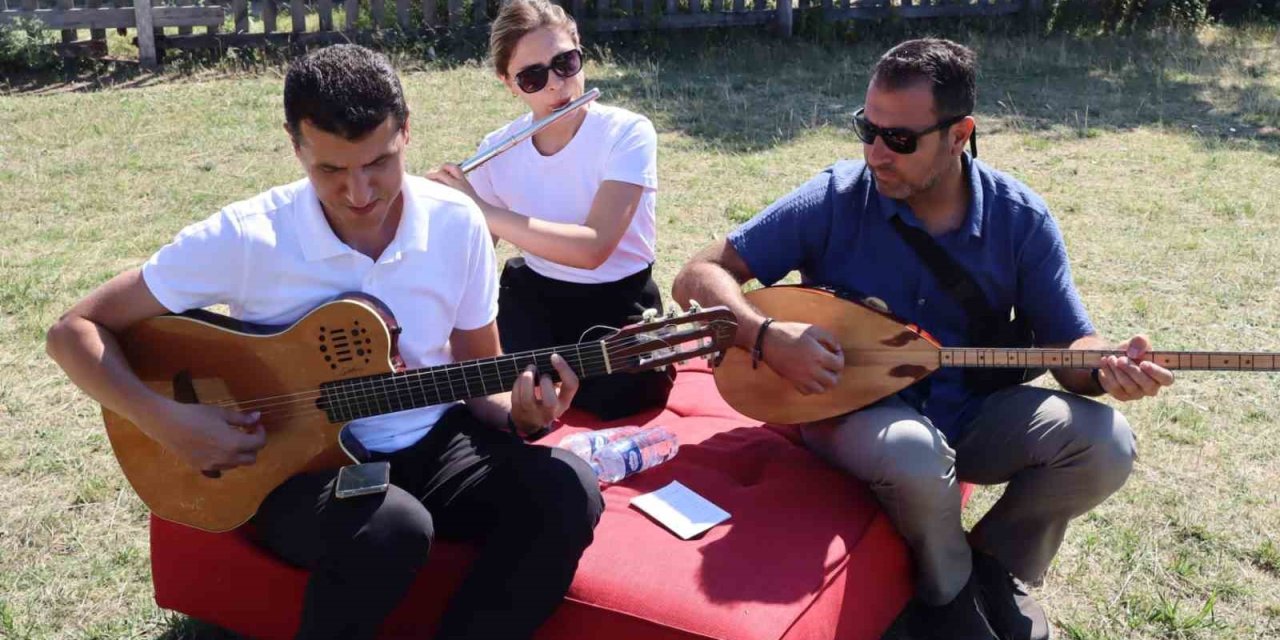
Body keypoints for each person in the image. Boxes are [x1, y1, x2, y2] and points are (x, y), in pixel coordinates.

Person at [45, 44, 603, 640]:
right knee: (390, 526)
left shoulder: (456, 221)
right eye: (331, 170)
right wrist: (166, 420)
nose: (359, 192)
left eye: (379, 163)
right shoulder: (249, 236)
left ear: (406, 132)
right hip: (294, 468)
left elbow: (478, 371)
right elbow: (72, 331)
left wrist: (520, 414)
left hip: (435, 445)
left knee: (568, 488)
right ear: (296, 149)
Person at [672, 39, 1174, 640]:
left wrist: (1106, 368)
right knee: (912, 450)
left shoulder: (1021, 219)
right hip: (849, 410)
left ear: (959, 135)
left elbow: (1070, 348)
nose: (876, 153)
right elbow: (697, 275)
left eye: (899, 139)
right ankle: (949, 598)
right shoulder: (834, 198)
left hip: (971, 410)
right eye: (867, 129)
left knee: (1106, 443)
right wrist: (768, 336)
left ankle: (994, 566)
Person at [428, 0, 673, 421]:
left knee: (623, 396)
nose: (556, 85)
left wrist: (481, 208)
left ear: (580, 51)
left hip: (617, 301)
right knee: (500, 384)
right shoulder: (497, 148)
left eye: (565, 63)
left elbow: (593, 249)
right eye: (532, 77)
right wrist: (440, 210)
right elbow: (473, 256)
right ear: (508, 83)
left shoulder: (627, 133)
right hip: (536, 299)